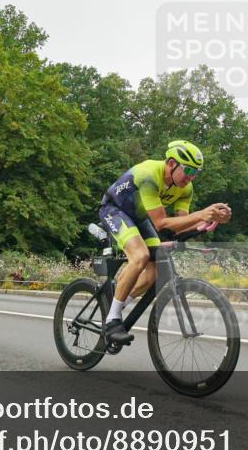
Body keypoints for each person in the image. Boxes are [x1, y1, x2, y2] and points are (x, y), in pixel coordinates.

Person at [98, 140, 231, 344]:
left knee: (156, 270)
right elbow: (161, 223)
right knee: (140, 255)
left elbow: (179, 225)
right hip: (115, 210)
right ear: (170, 163)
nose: (191, 177)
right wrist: (201, 214)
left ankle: (118, 303)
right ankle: (112, 320)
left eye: (196, 173)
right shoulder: (149, 175)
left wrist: (205, 223)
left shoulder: (185, 188)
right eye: (187, 170)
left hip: (141, 217)